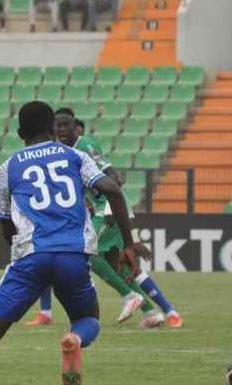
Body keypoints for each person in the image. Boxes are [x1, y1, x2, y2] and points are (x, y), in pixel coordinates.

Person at [0, 101, 138, 385]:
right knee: (89, 320)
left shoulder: (8, 167)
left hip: (32, 255)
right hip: (74, 255)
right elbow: (113, 190)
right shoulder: (74, 156)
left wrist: (24, 254)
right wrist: (128, 243)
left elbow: (6, 225)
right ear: (53, 129)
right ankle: (74, 338)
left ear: (20, 133)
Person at [32, 108, 183, 329]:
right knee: (117, 263)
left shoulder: (86, 145)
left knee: (84, 252)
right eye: (58, 125)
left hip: (109, 207)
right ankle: (152, 313)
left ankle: (131, 296)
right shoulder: (62, 152)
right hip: (101, 209)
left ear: (75, 127)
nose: (62, 129)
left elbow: (112, 176)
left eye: (66, 125)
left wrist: (112, 207)